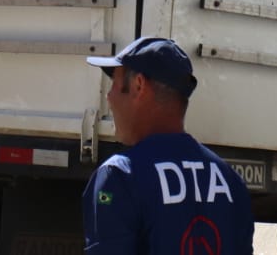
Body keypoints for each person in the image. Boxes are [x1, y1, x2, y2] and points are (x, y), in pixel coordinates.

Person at [82, 36, 253, 254]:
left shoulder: (120, 176)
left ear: (138, 85)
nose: (108, 96)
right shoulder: (230, 180)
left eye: (114, 83)